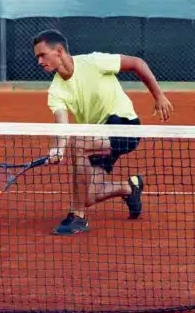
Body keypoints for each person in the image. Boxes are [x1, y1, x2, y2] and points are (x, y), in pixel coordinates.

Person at [33, 29, 174, 236]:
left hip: (123, 126)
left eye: (42, 55)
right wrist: (58, 148)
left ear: (59, 51)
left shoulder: (94, 62)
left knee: (79, 143)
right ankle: (129, 188)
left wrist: (159, 96)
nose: (39, 61)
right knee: (88, 195)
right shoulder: (56, 91)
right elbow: (62, 126)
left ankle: (77, 217)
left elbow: (136, 63)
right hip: (96, 138)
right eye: (37, 56)